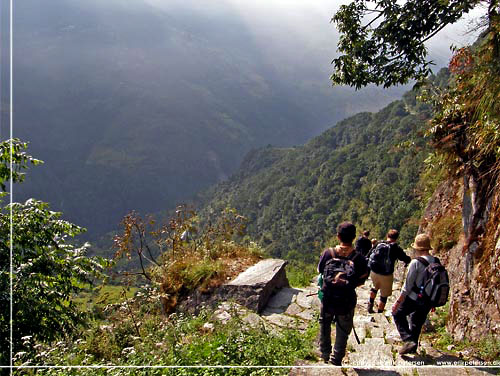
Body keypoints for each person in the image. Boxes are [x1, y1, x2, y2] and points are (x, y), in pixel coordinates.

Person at [317, 222, 369, 365]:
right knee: (343, 328)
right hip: (347, 299)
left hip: (328, 298)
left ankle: (325, 353)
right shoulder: (359, 258)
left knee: (324, 323)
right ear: (353, 238)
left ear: (338, 236)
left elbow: (321, 271)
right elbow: (362, 279)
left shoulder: (328, 253)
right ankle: (336, 358)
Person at [392, 233, 436, 354]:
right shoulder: (436, 261)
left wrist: (397, 302)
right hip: (428, 300)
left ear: (416, 248)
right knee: (416, 322)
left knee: (398, 314)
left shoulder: (415, 263)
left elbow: (407, 286)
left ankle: (408, 340)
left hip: (414, 298)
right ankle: (412, 347)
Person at [366, 229, 411, 313]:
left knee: (374, 288)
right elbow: (404, 258)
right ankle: (379, 313)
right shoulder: (395, 247)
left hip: (374, 272)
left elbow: (369, 254)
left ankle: (370, 305)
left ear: (387, 236)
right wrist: (408, 260)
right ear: (396, 238)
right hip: (386, 275)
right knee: (384, 295)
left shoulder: (379, 243)